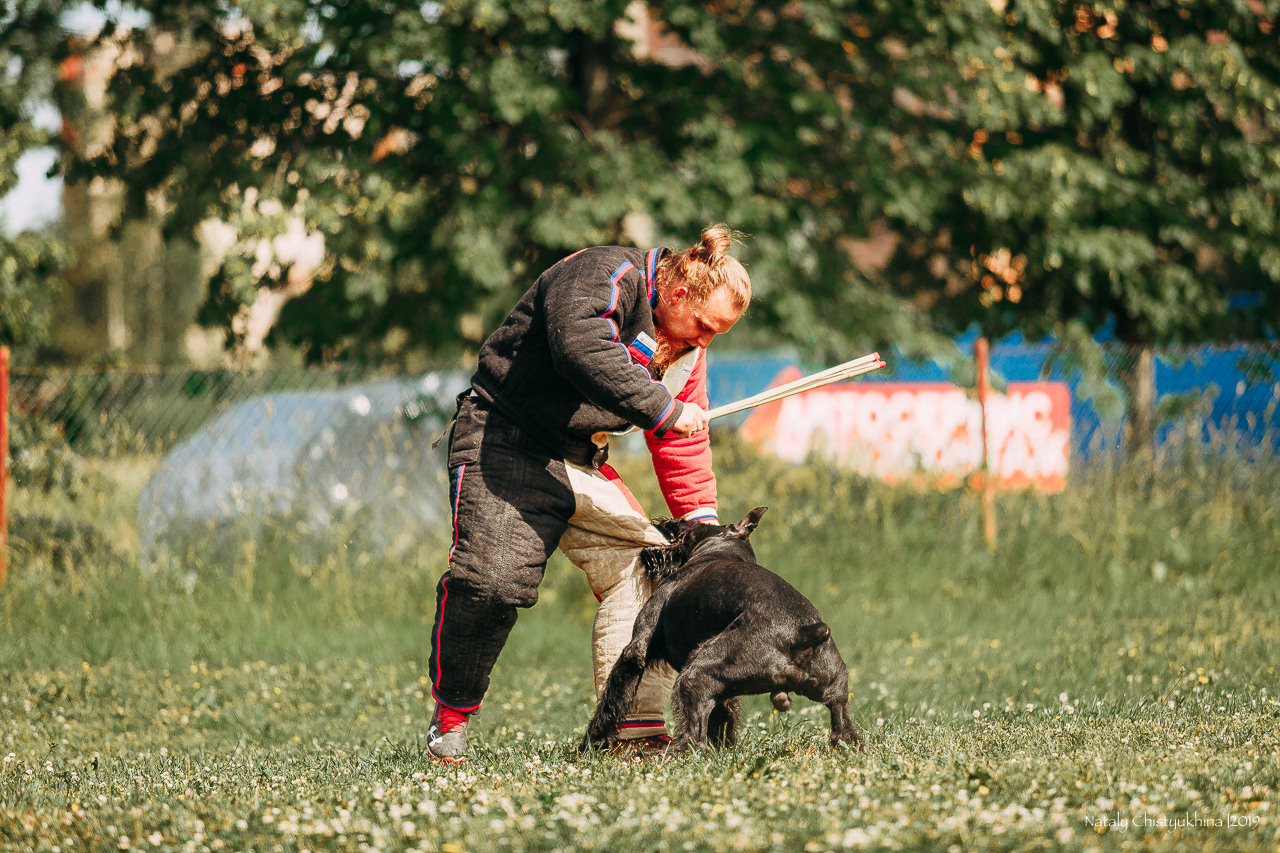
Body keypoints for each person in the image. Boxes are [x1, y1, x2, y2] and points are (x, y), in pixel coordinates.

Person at [426, 224, 751, 762]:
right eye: (703, 325)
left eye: (715, 334)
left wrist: (703, 530)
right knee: (491, 582)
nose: (704, 342)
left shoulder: (688, 351)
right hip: (506, 438)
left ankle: (634, 734)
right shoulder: (602, 274)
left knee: (653, 572)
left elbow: (681, 449)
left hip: (581, 457)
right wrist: (665, 410)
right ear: (676, 293)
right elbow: (581, 348)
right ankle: (451, 722)